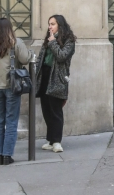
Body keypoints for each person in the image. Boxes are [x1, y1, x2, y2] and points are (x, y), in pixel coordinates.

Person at [0, 18, 31, 165]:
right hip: (11, 86)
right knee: (11, 121)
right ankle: (7, 155)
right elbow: (25, 59)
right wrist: (30, 53)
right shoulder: (15, 42)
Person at [36, 15, 76, 153]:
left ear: (60, 25)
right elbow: (42, 57)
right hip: (45, 76)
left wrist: (53, 42)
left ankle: (57, 141)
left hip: (57, 78)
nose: (50, 26)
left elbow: (61, 56)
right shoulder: (48, 39)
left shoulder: (69, 40)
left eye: (52, 24)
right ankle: (51, 140)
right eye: (49, 24)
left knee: (56, 111)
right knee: (46, 110)